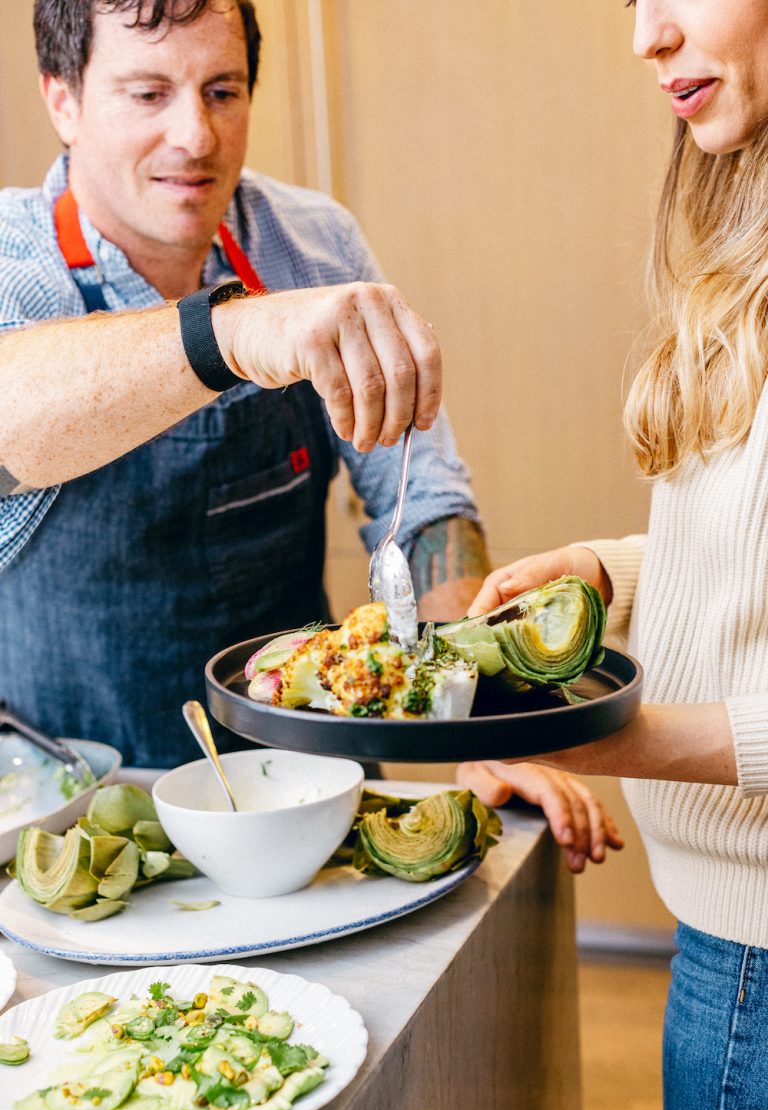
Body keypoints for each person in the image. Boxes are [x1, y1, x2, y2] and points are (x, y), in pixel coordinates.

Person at [0, 0, 622, 875]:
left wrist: (473, 723)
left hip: (307, 800)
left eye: (224, 91)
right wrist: (229, 337)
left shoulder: (312, 241)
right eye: (148, 94)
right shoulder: (11, 259)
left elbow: (425, 507)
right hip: (77, 826)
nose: (197, 136)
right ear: (60, 98)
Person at [458, 1, 768, 1110]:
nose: (647, 36)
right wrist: (611, 571)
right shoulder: (745, 235)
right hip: (729, 949)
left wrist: (605, 739)